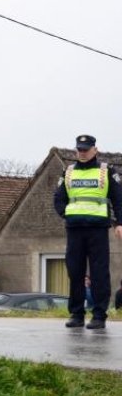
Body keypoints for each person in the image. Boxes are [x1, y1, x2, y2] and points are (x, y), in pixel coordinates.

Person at [54, 134, 122, 329]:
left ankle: (99, 315)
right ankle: (76, 314)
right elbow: (58, 198)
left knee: (99, 273)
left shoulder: (106, 171)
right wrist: (65, 214)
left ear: (95, 150)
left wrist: (119, 222)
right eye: (79, 150)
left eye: (85, 149)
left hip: (98, 229)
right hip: (74, 229)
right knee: (75, 272)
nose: (82, 153)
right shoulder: (67, 172)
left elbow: (118, 198)